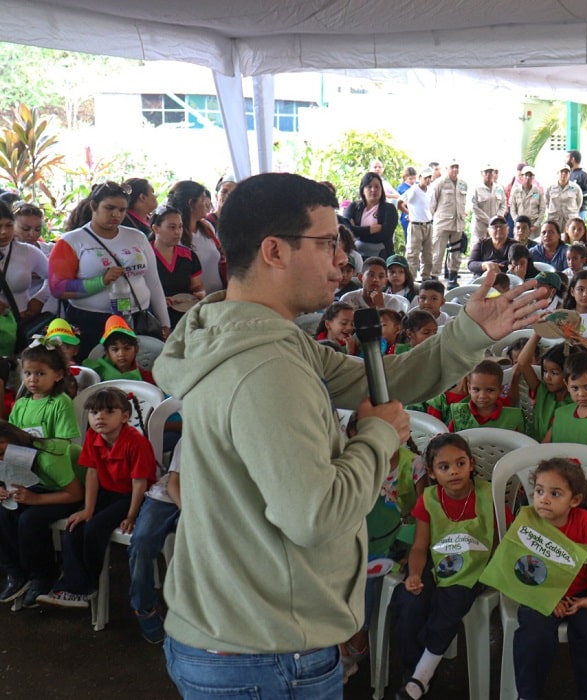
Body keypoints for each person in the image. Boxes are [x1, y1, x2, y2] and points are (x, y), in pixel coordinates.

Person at [152, 173, 547, 696]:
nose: (344, 258)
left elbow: (383, 382)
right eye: (327, 242)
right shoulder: (265, 368)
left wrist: (469, 332)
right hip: (264, 652)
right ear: (274, 250)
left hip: (239, 628)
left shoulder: (242, 334)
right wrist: (378, 438)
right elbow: (315, 514)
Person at [482, 457, 587, 700]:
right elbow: (514, 569)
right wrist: (547, 599)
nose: (544, 499)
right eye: (539, 491)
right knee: (534, 638)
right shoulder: (528, 519)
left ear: (574, 500)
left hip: (580, 591)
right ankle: (527, 695)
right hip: (536, 592)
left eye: (555, 493)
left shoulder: (584, 521)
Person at [391, 433, 495, 699]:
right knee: (409, 599)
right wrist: (414, 575)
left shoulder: (487, 494)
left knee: (453, 596)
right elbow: (419, 546)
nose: (454, 472)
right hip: (437, 559)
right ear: (432, 473)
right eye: (444, 467)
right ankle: (412, 670)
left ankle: (422, 674)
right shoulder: (429, 498)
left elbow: (501, 540)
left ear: (472, 464)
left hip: (474, 565)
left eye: (460, 464)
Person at [38, 388, 157, 608]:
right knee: (76, 524)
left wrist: (131, 516)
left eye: (108, 411)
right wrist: (87, 509)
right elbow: (92, 473)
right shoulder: (94, 436)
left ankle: (85, 586)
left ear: (124, 417)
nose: (99, 417)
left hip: (131, 496)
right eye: (93, 412)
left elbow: (139, 484)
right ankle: (75, 583)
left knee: (95, 528)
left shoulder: (135, 442)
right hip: (107, 492)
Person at [50, 181, 171, 358]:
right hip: (91, 322)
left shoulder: (137, 237)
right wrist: (101, 282)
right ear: (94, 206)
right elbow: (58, 288)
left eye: (122, 210)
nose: (116, 214)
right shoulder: (71, 241)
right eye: (109, 208)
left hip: (138, 318)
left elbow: (153, 282)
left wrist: (165, 323)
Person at [0, 421, 83, 612]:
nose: (2, 460)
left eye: (2, 453)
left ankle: (44, 575)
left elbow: (76, 494)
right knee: (3, 511)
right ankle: (16, 573)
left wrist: (35, 499)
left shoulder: (48, 456)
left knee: (30, 520)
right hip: (43, 486)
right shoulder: (13, 454)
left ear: (17, 440)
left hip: (74, 491)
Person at [128, 447, 181, 643]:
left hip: (205, 500)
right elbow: (174, 484)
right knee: (141, 545)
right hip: (166, 498)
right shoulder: (191, 437)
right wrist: (190, 513)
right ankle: (144, 608)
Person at [0, 201, 50, 352]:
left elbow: (55, 279)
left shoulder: (28, 252)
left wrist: (40, 299)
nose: (4, 232)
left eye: (9, 225)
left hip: (20, 327)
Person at [9, 341, 80, 440]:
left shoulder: (61, 402)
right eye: (28, 373)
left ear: (58, 375)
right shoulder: (19, 405)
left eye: (40, 374)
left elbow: (63, 444)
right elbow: (13, 438)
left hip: (51, 454)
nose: (32, 379)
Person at [167, 180, 227, 297]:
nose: (207, 203)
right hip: (193, 302)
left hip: (218, 297)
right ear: (191, 203)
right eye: (203, 198)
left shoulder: (207, 227)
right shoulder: (174, 235)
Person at [150, 205, 205, 328]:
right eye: (172, 227)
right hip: (154, 319)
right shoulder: (144, 255)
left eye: (180, 226)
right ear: (156, 228)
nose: (177, 232)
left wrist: (199, 293)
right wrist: (158, 301)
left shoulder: (189, 256)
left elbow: (196, 285)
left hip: (184, 318)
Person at [429, 160, 468, 288]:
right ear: (447, 168)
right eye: (452, 167)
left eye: (457, 167)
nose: (455, 170)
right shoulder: (439, 183)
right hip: (442, 223)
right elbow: (432, 204)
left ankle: (453, 276)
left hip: (458, 223)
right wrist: (433, 220)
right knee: (437, 252)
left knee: (456, 252)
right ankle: (434, 277)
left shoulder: (463, 184)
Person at [344, 171, 398, 261]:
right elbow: (345, 228)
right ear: (363, 190)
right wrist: (370, 229)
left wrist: (356, 232)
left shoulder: (389, 209)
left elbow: (385, 235)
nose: (373, 190)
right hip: (355, 257)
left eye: (377, 187)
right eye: (369, 187)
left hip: (382, 256)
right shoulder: (353, 207)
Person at [402, 168, 434, 281]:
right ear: (420, 178)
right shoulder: (413, 190)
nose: (428, 180)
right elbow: (401, 202)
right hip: (416, 225)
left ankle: (426, 276)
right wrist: (409, 213)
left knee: (428, 253)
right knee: (412, 254)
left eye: (430, 178)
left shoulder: (430, 190)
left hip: (428, 224)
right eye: (426, 178)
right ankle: (410, 279)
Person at [469, 165, 507, 241]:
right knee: (478, 250)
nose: (489, 174)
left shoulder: (499, 188)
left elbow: (503, 204)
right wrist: (489, 220)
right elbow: (474, 207)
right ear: (481, 174)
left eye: (491, 172)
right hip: (480, 228)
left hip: (495, 229)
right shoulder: (476, 189)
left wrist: (497, 218)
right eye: (486, 172)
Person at [546, 166, 584, 232]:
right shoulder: (551, 188)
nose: (564, 174)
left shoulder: (576, 188)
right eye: (562, 172)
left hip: (570, 220)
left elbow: (579, 203)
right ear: (558, 173)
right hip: (554, 220)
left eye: (566, 172)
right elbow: (547, 202)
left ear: (569, 174)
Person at [566, 150, 587, 215]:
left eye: (567, 157)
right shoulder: (567, 173)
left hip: (580, 211)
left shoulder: (584, 173)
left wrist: (578, 196)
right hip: (567, 211)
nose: (564, 160)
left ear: (572, 159)